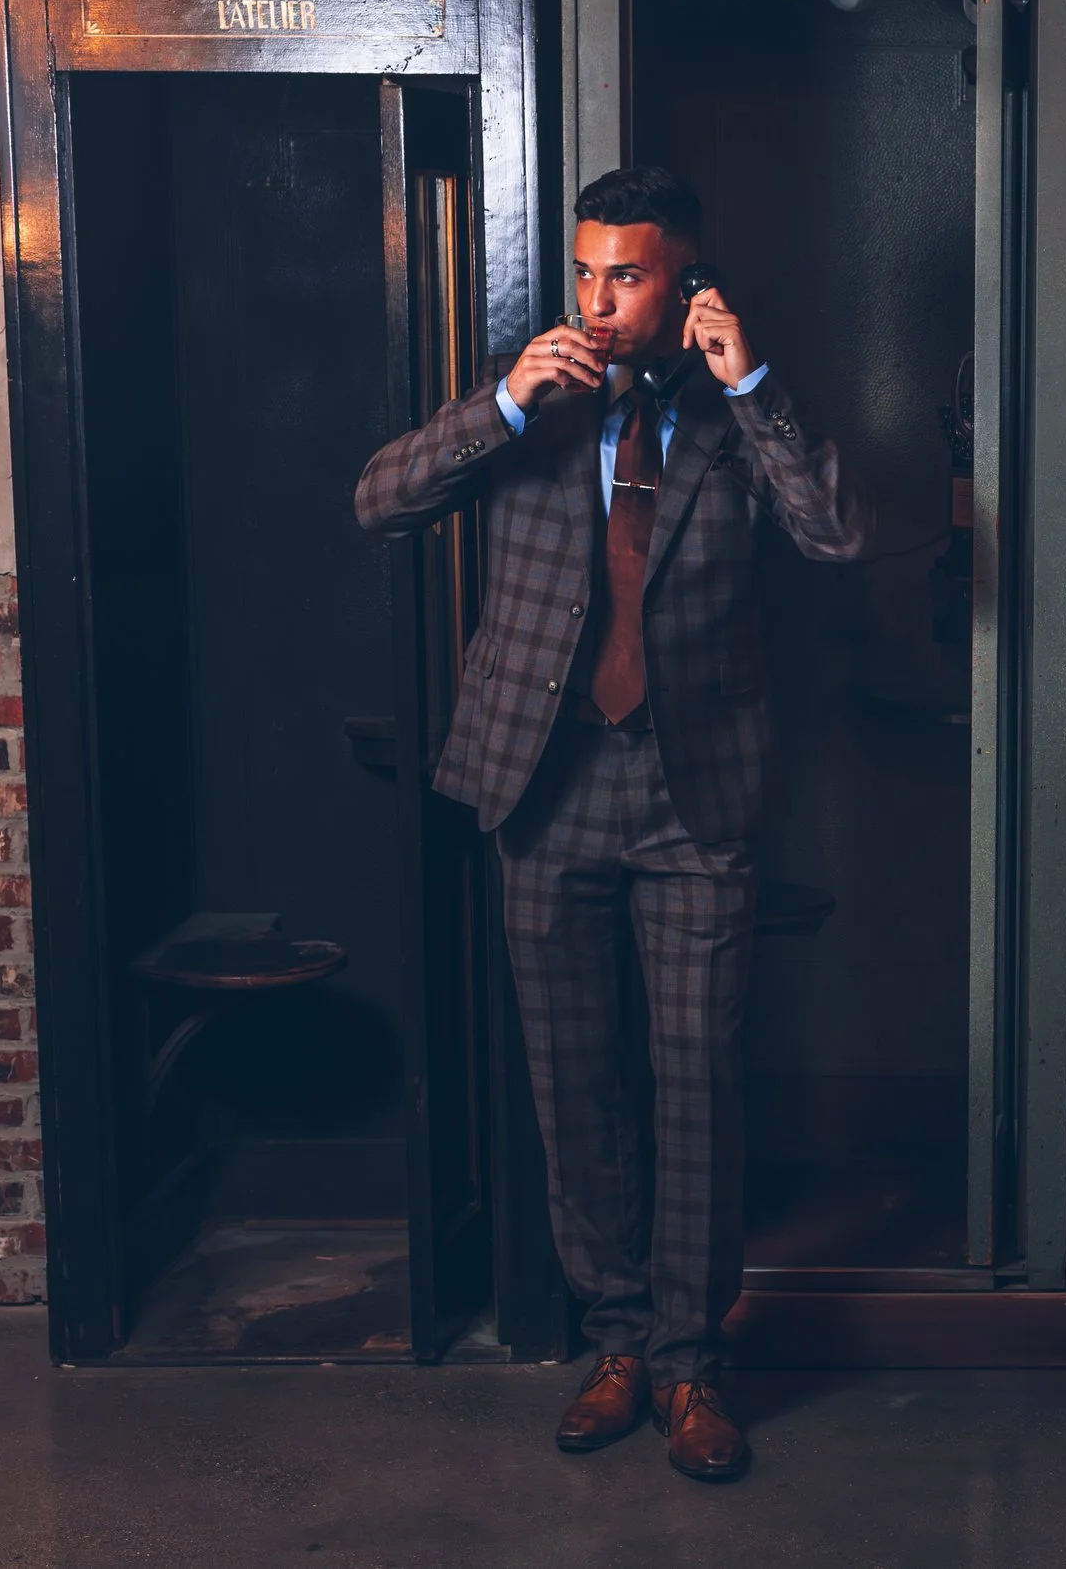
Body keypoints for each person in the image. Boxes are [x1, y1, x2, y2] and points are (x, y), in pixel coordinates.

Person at [355, 166, 869, 1481]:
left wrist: (750, 385)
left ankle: (695, 1359)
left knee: (697, 1082)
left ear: (686, 281)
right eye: (584, 272)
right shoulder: (523, 396)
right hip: (546, 784)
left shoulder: (736, 413)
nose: (598, 298)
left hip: (694, 794)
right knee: (576, 1082)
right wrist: (510, 399)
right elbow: (380, 498)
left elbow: (835, 534)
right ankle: (618, 1341)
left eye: (625, 275)